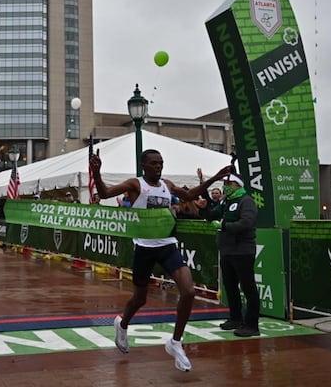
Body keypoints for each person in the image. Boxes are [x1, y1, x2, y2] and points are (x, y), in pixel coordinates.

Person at [90, 149, 231, 372]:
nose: (159, 166)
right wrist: (96, 173)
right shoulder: (135, 185)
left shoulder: (167, 184)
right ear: (144, 165)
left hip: (167, 245)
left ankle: (175, 343)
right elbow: (105, 193)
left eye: (161, 163)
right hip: (144, 248)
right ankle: (122, 324)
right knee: (139, 299)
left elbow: (189, 195)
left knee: (189, 292)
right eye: (154, 163)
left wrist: (213, 178)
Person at [205, 173, 260, 337]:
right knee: (230, 286)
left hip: (242, 250)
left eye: (228, 183)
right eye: (224, 183)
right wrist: (203, 207)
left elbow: (247, 223)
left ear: (237, 185)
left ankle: (252, 324)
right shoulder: (226, 201)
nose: (225, 186)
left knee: (248, 287)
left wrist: (224, 225)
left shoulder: (246, 201)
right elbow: (212, 214)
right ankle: (235, 318)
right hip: (227, 250)